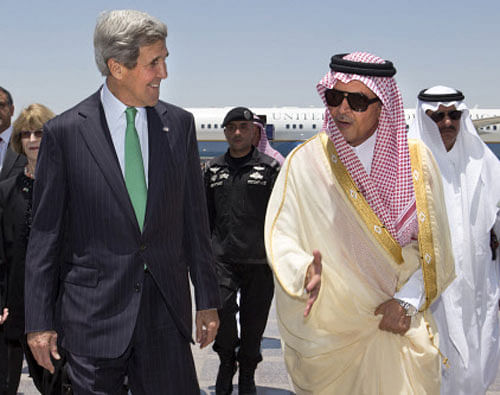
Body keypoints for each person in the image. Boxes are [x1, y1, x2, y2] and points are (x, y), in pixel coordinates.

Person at [24, 9, 220, 395]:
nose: (164, 73)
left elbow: (194, 221)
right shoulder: (64, 133)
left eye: (165, 60)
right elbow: (45, 235)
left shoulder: (177, 125)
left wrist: (208, 300)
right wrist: (39, 320)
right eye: (154, 62)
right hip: (92, 318)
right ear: (117, 67)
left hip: (165, 313)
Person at [264, 52, 456, 394]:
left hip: (400, 326)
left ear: (383, 105)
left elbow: (436, 246)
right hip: (331, 331)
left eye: (356, 101)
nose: (342, 110)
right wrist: (304, 270)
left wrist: (407, 302)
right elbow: (282, 234)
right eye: (335, 98)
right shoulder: (305, 162)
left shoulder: (417, 162)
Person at [409, 86, 500, 395]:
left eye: (453, 115)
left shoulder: (483, 161)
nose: (447, 123)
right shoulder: (408, 166)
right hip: (425, 292)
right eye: (437, 116)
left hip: (476, 285)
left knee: (474, 367)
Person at [204, 107, 280, 394]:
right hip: (222, 261)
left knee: (254, 321)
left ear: (253, 132)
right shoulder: (213, 169)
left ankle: (247, 370)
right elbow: (204, 217)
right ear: (225, 132)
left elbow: (281, 215)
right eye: (232, 127)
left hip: (259, 261)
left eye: (243, 127)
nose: (237, 132)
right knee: (222, 315)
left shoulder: (270, 169)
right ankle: (226, 363)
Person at [0, 104, 57, 395]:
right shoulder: (6, 191)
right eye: (26, 134)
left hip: (61, 308)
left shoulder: (68, 186)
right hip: (17, 307)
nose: (33, 140)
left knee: (57, 383)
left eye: (40, 133)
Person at [0, 87, 27, 395]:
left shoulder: (25, 149)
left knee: (12, 342)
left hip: (16, 259)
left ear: (11, 109)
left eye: (0, 105)